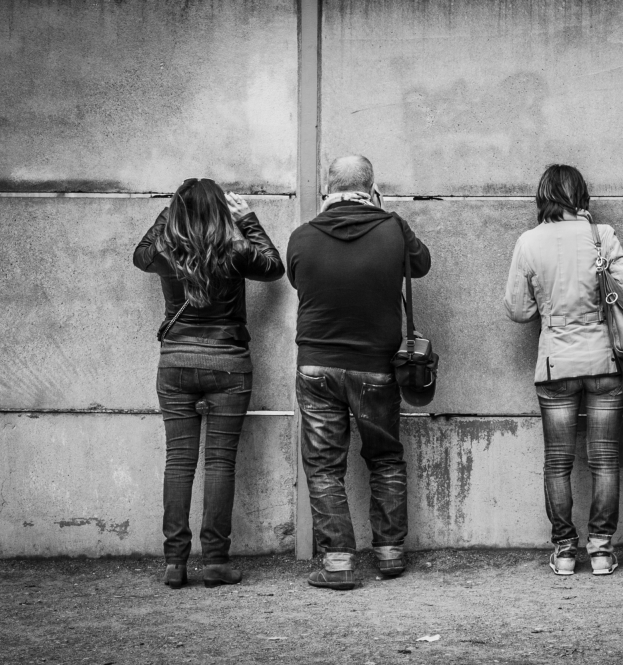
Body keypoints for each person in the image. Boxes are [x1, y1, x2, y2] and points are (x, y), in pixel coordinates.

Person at [287, 155, 431, 591]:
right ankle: (389, 553)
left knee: (323, 467)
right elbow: (421, 264)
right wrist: (387, 217)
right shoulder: (392, 228)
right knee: (385, 458)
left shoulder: (302, 236)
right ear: (372, 188)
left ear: (327, 189)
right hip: (376, 367)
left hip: (316, 365)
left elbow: (299, 280)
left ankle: (337, 563)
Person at [133, 179, 285, 589]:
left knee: (179, 462)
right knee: (220, 462)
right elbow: (274, 266)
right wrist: (247, 219)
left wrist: (170, 213)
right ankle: (216, 562)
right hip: (228, 364)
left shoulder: (164, 250)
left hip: (176, 364)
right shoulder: (235, 251)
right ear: (221, 211)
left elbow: (139, 254)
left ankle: (175, 562)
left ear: (176, 210)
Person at [504, 164, 623, 576]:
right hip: (604, 361)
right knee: (605, 460)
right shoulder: (602, 235)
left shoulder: (529, 241)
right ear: (581, 196)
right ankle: (601, 551)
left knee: (557, 462)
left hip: (555, 364)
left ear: (543, 197)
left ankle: (565, 551)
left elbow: (518, 310)